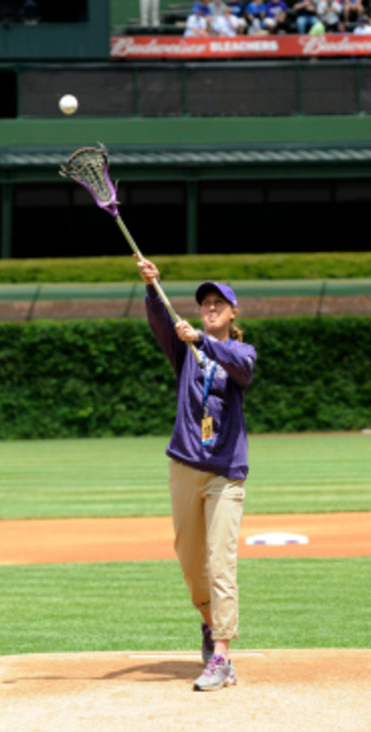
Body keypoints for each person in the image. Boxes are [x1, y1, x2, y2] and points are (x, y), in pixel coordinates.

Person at [136, 256, 256, 693]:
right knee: (191, 563)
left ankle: (222, 656)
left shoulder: (239, 351)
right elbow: (158, 322)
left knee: (222, 562)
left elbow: (241, 369)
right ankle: (209, 624)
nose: (210, 307)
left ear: (232, 312)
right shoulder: (184, 350)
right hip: (185, 466)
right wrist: (152, 287)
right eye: (205, 302)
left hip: (226, 473)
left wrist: (203, 342)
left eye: (218, 302)